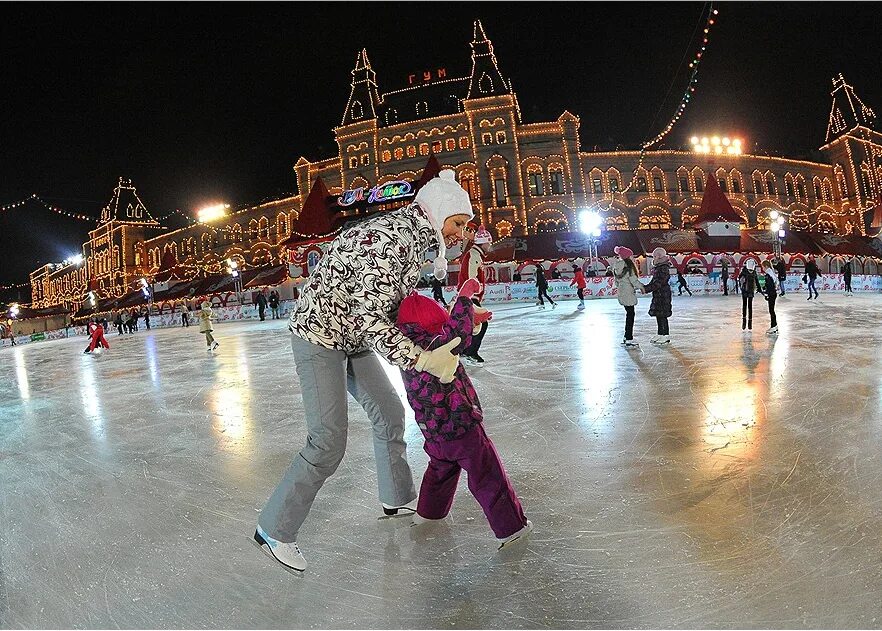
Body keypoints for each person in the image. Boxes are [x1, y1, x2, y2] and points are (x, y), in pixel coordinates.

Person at [254, 169, 473, 573]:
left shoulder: (412, 239)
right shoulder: (392, 239)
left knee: (389, 411)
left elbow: (395, 304)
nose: (460, 233)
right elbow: (375, 319)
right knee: (327, 440)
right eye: (457, 222)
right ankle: (274, 529)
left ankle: (396, 496)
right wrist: (421, 359)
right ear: (438, 210)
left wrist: (447, 318)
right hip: (319, 335)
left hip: (350, 335)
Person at [396, 281, 531, 549]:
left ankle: (429, 514)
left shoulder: (407, 348)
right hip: (461, 425)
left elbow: (453, 332)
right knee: (487, 473)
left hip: (432, 430)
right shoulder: (437, 344)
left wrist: (473, 317)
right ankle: (510, 527)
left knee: (440, 469)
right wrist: (465, 297)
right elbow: (457, 334)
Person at [458, 222, 493, 364]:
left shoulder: (476, 254)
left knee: (472, 324)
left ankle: (465, 351)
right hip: (469, 296)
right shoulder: (474, 255)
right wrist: (473, 292)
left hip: (470, 295)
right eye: (488, 243)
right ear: (483, 242)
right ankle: (470, 351)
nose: (489, 246)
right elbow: (470, 277)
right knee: (481, 322)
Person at [612, 246, 644, 347]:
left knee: (629, 314)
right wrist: (642, 287)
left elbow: (616, 282)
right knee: (630, 315)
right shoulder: (628, 266)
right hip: (628, 293)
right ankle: (629, 338)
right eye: (631, 256)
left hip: (622, 292)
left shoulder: (617, 266)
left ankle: (627, 337)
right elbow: (633, 280)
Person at [642, 247, 673, 345]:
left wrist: (647, 289)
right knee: (659, 314)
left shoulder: (663, 267)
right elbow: (654, 281)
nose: (653, 258)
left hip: (663, 294)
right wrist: (646, 288)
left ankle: (665, 335)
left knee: (663, 315)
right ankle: (660, 333)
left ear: (659, 256)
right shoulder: (659, 267)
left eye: (654, 256)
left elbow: (659, 282)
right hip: (659, 294)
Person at [758, 260, 779, 335]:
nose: (762, 268)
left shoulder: (768, 274)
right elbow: (776, 282)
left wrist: (766, 293)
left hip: (771, 294)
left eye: (762, 267)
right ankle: (775, 326)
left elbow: (769, 285)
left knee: (771, 311)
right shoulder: (771, 272)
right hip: (773, 293)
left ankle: (773, 327)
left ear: (766, 266)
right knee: (772, 310)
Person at [739, 259, 759, 332]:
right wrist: (741, 287)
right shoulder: (744, 271)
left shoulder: (754, 272)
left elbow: (757, 281)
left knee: (750, 306)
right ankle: (744, 321)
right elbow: (739, 279)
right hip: (745, 290)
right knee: (744, 305)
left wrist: (759, 289)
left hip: (751, 290)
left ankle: (750, 323)